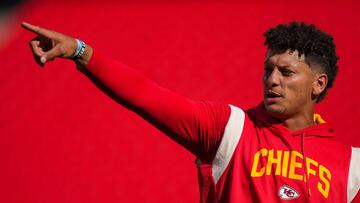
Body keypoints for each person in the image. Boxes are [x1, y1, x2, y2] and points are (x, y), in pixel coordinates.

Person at [22, 21, 359, 203]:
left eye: (286, 72)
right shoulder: (230, 129)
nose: (271, 80)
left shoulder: (351, 168)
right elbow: (147, 96)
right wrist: (81, 52)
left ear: (318, 83)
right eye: (268, 69)